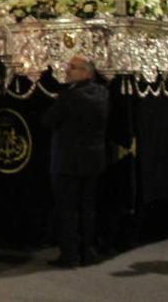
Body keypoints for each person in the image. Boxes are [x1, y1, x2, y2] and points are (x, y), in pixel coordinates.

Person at [42, 55, 108, 268]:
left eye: (73, 68)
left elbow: (48, 120)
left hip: (67, 162)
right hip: (93, 159)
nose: (68, 70)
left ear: (87, 72)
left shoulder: (69, 97)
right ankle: (87, 251)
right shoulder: (102, 94)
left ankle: (70, 255)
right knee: (87, 208)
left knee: (67, 210)